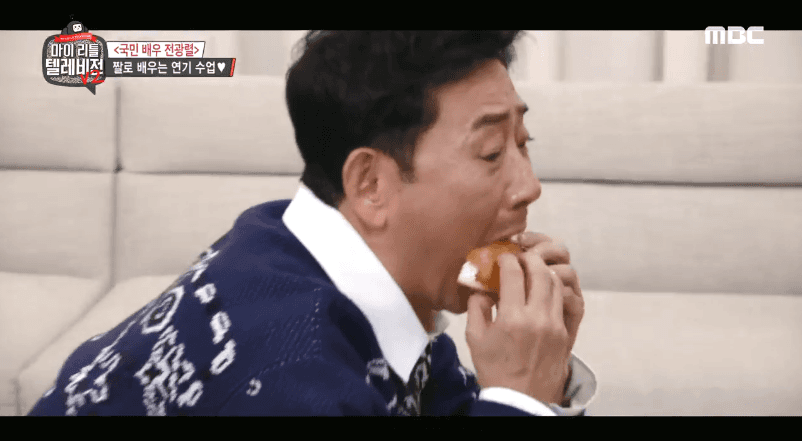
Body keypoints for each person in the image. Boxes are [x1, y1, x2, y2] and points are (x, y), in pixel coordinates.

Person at [28, 30, 596, 416]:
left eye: (524, 143)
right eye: (492, 152)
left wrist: (537, 378)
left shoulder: (304, 247)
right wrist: (520, 401)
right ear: (369, 185)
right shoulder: (292, 377)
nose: (529, 186)